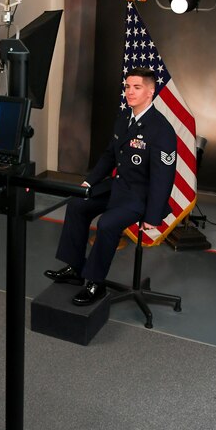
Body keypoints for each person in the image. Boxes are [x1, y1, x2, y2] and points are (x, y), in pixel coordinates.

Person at [44, 67, 177, 305]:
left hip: (139, 196)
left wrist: (153, 215)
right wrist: (89, 182)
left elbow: (163, 177)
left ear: (150, 92)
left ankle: (95, 282)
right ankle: (75, 269)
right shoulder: (124, 118)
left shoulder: (161, 129)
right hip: (117, 187)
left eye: (137, 87)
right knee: (77, 204)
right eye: (127, 86)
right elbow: (108, 156)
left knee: (106, 224)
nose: (130, 92)